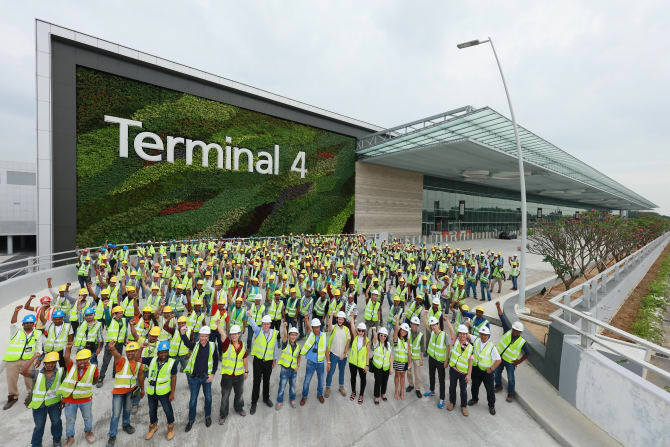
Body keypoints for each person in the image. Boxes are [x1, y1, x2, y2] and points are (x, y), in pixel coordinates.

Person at [21, 350, 64, 447]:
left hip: (54, 404)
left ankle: (57, 440)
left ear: (56, 362)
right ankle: (36, 444)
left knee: (56, 422)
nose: (49, 365)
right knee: (39, 426)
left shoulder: (61, 372)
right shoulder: (37, 374)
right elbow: (23, 371)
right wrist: (34, 357)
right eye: (47, 363)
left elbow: (64, 386)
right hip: (39, 406)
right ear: (44, 363)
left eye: (52, 363)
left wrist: (63, 399)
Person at [58, 346, 98, 446]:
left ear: (89, 359)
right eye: (79, 360)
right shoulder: (71, 366)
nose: (81, 362)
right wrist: (68, 347)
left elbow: (95, 381)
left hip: (85, 399)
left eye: (85, 360)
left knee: (88, 417)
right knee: (70, 420)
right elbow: (66, 357)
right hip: (70, 400)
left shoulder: (93, 368)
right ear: (76, 360)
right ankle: (70, 437)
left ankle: (88, 432)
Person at [181, 325, 218, 431]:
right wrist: (183, 334)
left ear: (208, 336)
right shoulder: (196, 345)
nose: (203, 338)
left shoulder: (212, 346)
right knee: (192, 401)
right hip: (194, 378)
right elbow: (187, 343)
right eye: (201, 336)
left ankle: (207, 416)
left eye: (205, 336)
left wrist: (213, 374)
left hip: (206, 377)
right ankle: (191, 420)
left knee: (209, 398)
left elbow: (215, 361)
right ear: (199, 336)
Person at [107, 341, 143, 446]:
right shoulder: (121, 360)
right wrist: (113, 349)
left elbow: (140, 376)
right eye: (128, 352)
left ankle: (126, 424)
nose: (130, 354)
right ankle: (112, 435)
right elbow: (116, 354)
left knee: (127, 410)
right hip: (118, 393)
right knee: (116, 414)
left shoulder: (138, 363)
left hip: (130, 392)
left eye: (133, 352)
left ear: (136, 352)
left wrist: (143, 389)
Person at [3, 308, 39, 409]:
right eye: (26, 323)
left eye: (30, 323)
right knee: (11, 379)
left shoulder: (37, 334)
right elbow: (13, 323)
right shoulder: (16, 332)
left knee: (29, 378)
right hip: (12, 360)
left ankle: (31, 395)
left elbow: (39, 347)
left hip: (28, 360)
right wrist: (16, 312)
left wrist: (38, 358)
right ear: (23, 324)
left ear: (33, 324)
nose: (28, 324)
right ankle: (13, 397)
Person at [142, 340, 177, 441]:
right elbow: (137, 358)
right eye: (161, 352)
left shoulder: (172, 362)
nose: (163, 354)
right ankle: (153, 426)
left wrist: (172, 392)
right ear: (158, 353)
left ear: (168, 352)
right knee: (152, 410)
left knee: (167, 410)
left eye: (165, 351)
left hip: (164, 392)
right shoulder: (152, 360)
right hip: (151, 391)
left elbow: (174, 378)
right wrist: (141, 348)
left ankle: (170, 428)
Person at [494, 301, 528, 402]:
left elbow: (528, 353)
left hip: (510, 362)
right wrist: (498, 307)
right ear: (512, 329)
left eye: (518, 331)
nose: (515, 332)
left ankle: (511, 393)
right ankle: (499, 385)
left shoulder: (522, 342)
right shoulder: (507, 331)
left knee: (511, 378)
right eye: (514, 330)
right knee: (497, 373)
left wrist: (518, 361)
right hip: (500, 358)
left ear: (521, 332)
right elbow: (502, 317)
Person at [247, 313, 279, 414]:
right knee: (256, 382)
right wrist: (249, 316)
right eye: (264, 324)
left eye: (267, 324)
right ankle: (253, 403)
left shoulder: (274, 334)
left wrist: (274, 359)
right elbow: (253, 324)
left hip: (268, 362)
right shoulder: (258, 331)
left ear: (270, 324)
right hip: (258, 361)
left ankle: (266, 398)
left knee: (266, 381)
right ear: (262, 324)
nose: (266, 326)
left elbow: (275, 348)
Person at [216, 324, 248, 423]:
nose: (234, 336)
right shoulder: (226, 344)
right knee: (225, 396)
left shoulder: (243, 345)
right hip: (227, 376)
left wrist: (246, 371)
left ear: (239, 334)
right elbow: (222, 333)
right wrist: (218, 324)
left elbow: (245, 358)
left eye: (236, 334)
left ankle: (238, 408)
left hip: (239, 375)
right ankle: (223, 414)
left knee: (239, 394)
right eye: (232, 334)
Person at [467, 325, 501, 415]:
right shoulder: (477, 340)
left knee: (490, 390)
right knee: (474, 386)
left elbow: (498, 360)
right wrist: (466, 326)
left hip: (487, 372)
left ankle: (491, 406)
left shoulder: (491, 346)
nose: (483, 336)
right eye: (482, 334)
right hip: (476, 369)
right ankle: (474, 399)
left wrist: (491, 369)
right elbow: (467, 335)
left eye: (485, 335)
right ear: (479, 334)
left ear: (488, 336)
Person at [444, 319, 474, 416]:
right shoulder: (455, 341)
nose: (462, 336)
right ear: (458, 334)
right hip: (453, 370)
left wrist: (469, 374)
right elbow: (451, 330)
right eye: (460, 334)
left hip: (463, 373)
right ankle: (452, 402)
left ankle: (463, 406)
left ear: (467, 335)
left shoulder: (470, 347)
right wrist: (447, 320)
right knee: (452, 387)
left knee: (463, 390)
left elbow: (470, 362)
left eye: (464, 334)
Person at [299, 317, 329, 405]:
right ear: (312, 328)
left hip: (320, 363)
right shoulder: (310, 335)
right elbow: (308, 327)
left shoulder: (323, 336)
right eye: (314, 327)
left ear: (320, 327)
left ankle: (320, 394)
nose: (316, 329)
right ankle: (304, 396)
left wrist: (329, 362)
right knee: (307, 380)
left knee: (321, 380)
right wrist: (306, 320)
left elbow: (326, 350)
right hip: (310, 363)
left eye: (318, 327)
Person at [97, 305, 128, 388]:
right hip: (110, 344)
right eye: (120, 313)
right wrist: (106, 308)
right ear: (115, 314)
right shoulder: (110, 321)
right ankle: (101, 378)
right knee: (106, 361)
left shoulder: (124, 321)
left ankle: (115, 374)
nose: (121, 314)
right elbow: (107, 316)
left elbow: (125, 331)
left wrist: (125, 340)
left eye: (122, 312)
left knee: (117, 360)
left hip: (120, 344)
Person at [423, 312, 448, 409]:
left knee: (441, 380)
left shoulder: (444, 335)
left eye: (434, 325)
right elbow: (426, 325)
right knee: (431, 375)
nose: (433, 327)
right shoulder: (433, 333)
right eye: (432, 325)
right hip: (432, 359)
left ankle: (442, 398)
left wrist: (446, 361)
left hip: (441, 361)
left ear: (438, 324)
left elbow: (448, 348)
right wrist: (425, 316)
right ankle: (432, 390)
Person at [325, 311, 350, 398]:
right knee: (331, 372)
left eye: (342, 319)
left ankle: (341, 386)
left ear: (344, 320)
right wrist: (331, 315)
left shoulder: (347, 329)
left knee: (342, 371)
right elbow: (329, 326)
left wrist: (344, 353)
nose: (340, 321)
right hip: (333, 354)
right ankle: (328, 387)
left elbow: (348, 342)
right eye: (339, 319)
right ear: (337, 319)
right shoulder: (334, 328)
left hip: (343, 355)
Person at [276, 321, 300, 410]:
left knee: (292, 387)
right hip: (285, 370)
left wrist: (298, 365)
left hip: (293, 370)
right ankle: (279, 401)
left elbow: (299, 356)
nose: (293, 336)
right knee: (282, 386)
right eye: (292, 335)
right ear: (289, 336)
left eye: (295, 335)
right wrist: (284, 327)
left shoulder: (297, 346)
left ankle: (292, 399)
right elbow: (285, 336)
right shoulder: (285, 344)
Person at [370, 326, 393, 405]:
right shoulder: (376, 343)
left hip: (386, 367)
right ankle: (376, 396)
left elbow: (390, 356)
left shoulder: (389, 345)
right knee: (378, 382)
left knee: (385, 381)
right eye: (381, 335)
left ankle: (383, 393)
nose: (383, 337)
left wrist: (391, 368)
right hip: (378, 367)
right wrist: (374, 330)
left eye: (385, 336)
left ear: (387, 337)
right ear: (379, 335)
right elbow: (375, 338)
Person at [348, 321, 369, 405]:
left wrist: (367, 365)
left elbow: (368, 354)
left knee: (363, 380)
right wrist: (352, 317)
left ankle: (361, 395)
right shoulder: (355, 336)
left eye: (362, 331)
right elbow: (352, 325)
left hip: (362, 364)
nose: (361, 332)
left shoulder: (367, 341)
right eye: (359, 330)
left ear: (365, 331)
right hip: (352, 362)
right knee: (353, 378)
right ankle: (353, 392)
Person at [406, 315, 423, 399]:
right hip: (408, 357)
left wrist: (421, 359)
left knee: (417, 374)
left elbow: (422, 348)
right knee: (409, 372)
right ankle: (411, 385)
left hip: (416, 358)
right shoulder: (407, 332)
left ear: (418, 325)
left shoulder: (420, 335)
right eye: (413, 324)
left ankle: (417, 389)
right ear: (410, 324)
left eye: (416, 324)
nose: (414, 326)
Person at [392, 319, 410, 400]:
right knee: (397, 375)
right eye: (402, 330)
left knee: (403, 376)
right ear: (400, 330)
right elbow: (396, 331)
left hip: (404, 362)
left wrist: (409, 363)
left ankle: (402, 391)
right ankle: (396, 391)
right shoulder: (396, 339)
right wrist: (397, 322)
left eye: (405, 331)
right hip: (397, 361)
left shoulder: (407, 341)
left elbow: (409, 352)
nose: (403, 332)